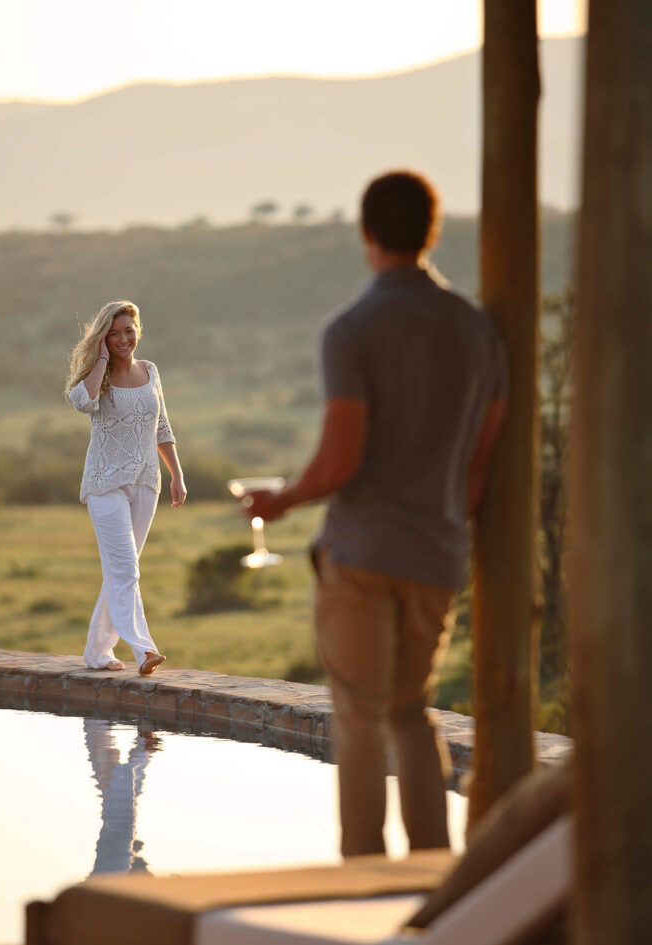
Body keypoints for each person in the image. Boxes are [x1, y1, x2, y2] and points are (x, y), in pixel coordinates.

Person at [243, 171, 507, 856]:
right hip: (438, 555)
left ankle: (358, 880)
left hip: (363, 557)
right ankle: (432, 879)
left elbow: (340, 460)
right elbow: (480, 463)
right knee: (410, 716)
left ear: (366, 234)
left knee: (359, 721)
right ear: (433, 230)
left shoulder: (352, 330)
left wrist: (282, 500)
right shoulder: (479, 331)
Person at [66, 300, 186, 675]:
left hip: (146, 483)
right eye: (114, 333)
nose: (123, 339)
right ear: (103, 337)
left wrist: (177, 475)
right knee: (126, 571)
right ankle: (144, 649)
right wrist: (100, 360)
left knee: (122, 571)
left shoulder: (151, 371)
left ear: (139, 330)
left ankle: (97, 653)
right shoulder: (95, 378)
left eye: (128, 331)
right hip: (105, 484)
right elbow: (81, 402)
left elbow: (161, 427)